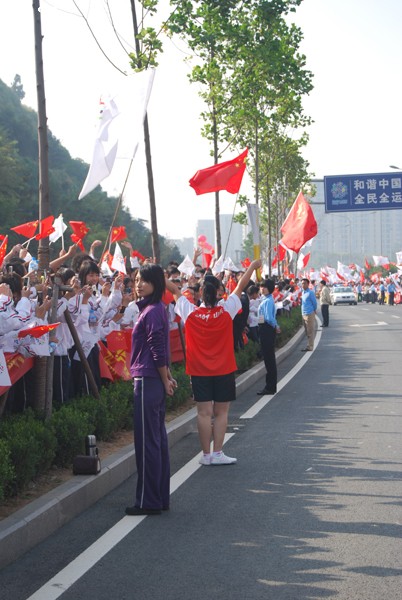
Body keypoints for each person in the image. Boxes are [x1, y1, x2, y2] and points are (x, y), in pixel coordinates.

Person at [167, 259, 261, 466]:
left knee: (203, 413)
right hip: (224, 369)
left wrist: (155, 273)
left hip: (199, 371)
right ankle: (218, 453)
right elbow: (240, 286)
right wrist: (253, 267)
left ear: (199, 294)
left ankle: (206, 455)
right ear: (218, 292)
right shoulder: (226, 310)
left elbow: (174, 289)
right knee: (221, 413)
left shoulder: (189, 311)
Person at [126, 264, 176, 516]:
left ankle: (148, 501)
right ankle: (158, 498)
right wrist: (166, 375)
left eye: (144, 280)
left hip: (147, 380)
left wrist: (165, 377)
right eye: (136, 280)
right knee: (156, 441)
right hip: (152, 379)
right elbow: (160, 348)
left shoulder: (152, 311)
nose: (138, 284)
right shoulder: (154, 309)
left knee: (147, 443)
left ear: (156, 283)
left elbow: (157, 348)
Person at [257, 279, 280, 396]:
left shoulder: (268, 301)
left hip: (266, 329)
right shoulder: (266, 299)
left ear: (269, 288)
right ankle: (270, 386)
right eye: (261, 286)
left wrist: (275, 326)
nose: (262, 288)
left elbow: (269, 318)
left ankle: (270, 387)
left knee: (269, 360)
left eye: (264, 287)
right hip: (265, 329)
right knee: (268, 359)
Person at [301, 277, 317, 351]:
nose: (303, 285)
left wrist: (314, 310)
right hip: (303, 314)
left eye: (304, 283)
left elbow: (314, 303)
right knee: (307, 331)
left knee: (310, 331)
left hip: (309, 313)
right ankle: (308, 345)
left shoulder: (310, 293)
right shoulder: (302, 292)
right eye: (302, 284)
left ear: (308, 284)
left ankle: (310, 346)